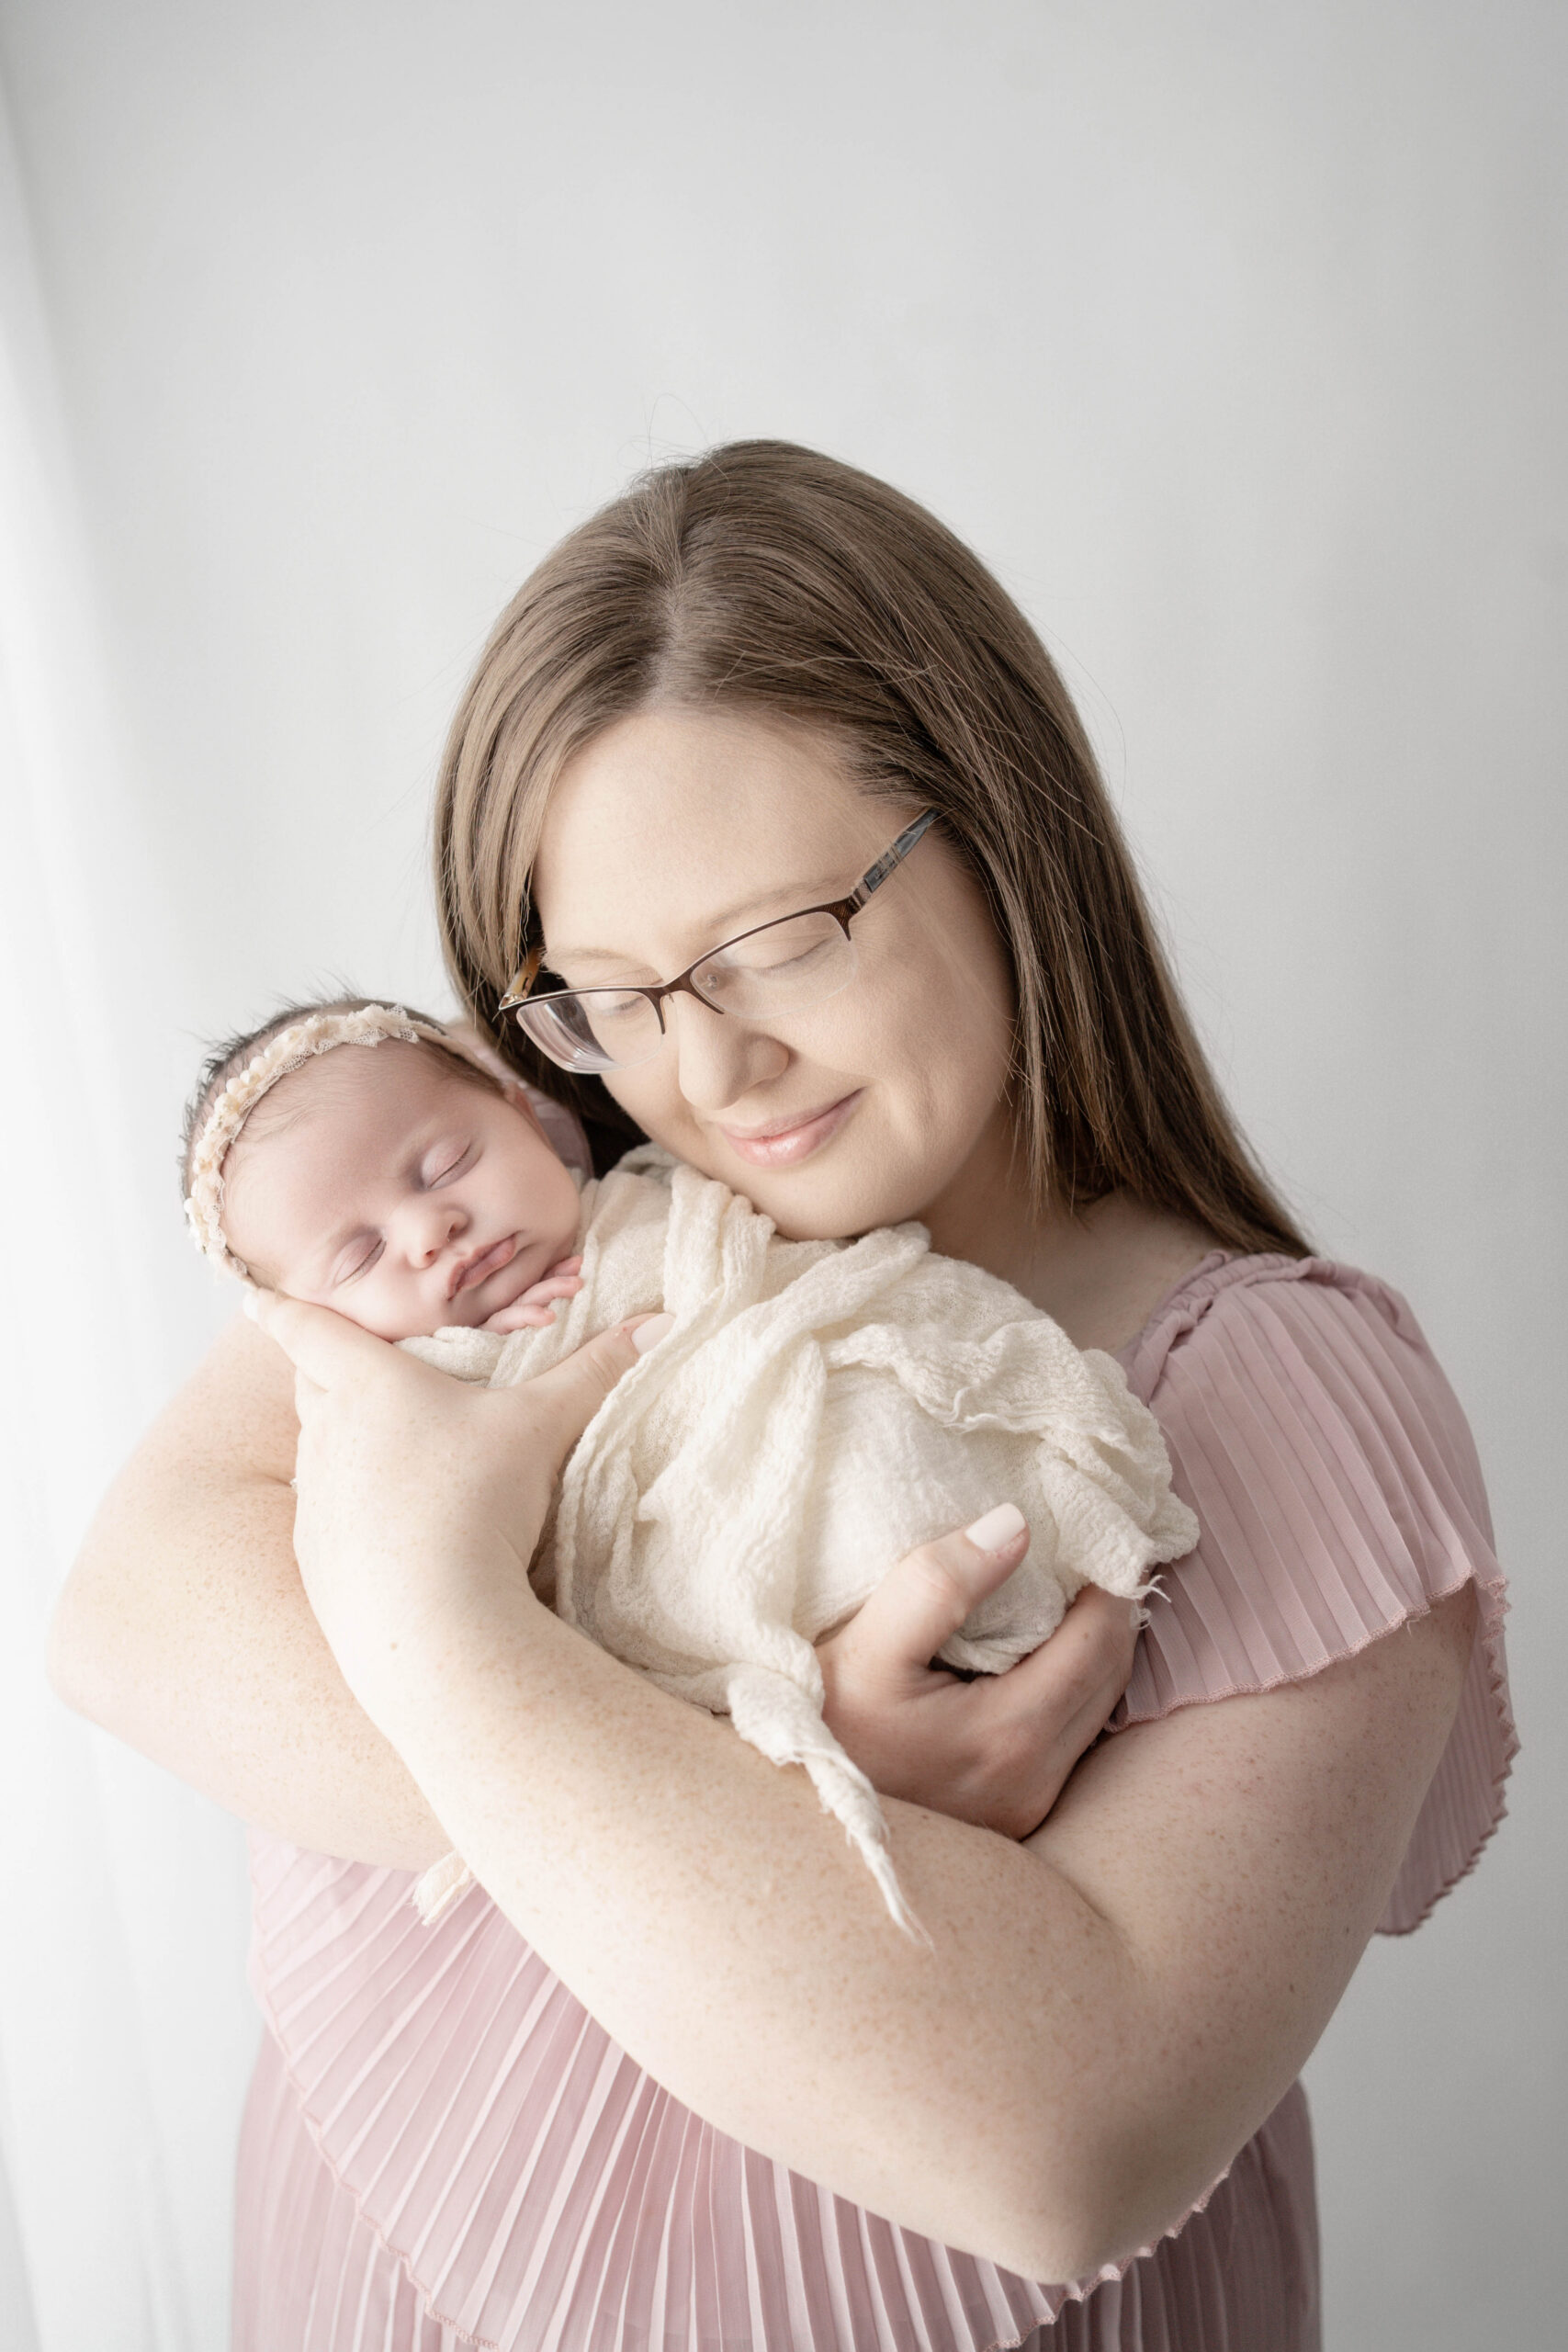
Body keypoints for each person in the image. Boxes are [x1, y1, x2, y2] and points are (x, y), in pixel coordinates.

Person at [51, 442, 1513, 2350]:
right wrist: (774, 1779)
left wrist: (437, 1614)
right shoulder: (553, 1205)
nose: (711, 1061)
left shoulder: (1273, 1388)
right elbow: (128, 1614)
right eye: (614, 988)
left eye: (775, 943)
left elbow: (1056, 2140)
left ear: (998, 833)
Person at [177, 990, 1196, 1936]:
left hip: (816, 1409)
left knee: (887, 1426)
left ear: (525, 1116)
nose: (429, 1229)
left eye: (445, 1165)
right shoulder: (409, 1405)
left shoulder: (666, 1198)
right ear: (314, 1330)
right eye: (358, 1258)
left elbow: (810, 1290)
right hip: (687, 1687)